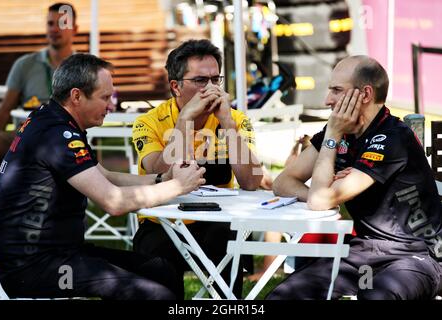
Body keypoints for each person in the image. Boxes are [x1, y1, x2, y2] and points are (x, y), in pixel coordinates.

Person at [0, 53, 207, 300]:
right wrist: (177, 186)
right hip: (34, 269)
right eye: (105, 97)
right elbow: (113, 202)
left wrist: (163, 178)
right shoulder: (57, 134)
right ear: (76, 96)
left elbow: (104, 176)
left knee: (161, 270)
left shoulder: (54, 118)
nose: (111, 105)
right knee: (156, 296)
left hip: (57, 255)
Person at [268, 55, 442, 300]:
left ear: (365, 94)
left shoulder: (391, 138)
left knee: (375, 295)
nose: (327, 100)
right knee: (286, 295)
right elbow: (283, 182)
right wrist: (327, 192)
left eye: (337, 90)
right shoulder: (341, 133)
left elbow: (319, 200)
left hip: (415, 256)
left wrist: (325, 191)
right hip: (365, 252)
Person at [131, 39, 263, 298]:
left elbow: (251, 181)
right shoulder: (147, 122)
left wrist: (226, 121)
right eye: (201, 81)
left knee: (229, 241)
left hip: (218, 220)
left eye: (216, 79)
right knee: (156, 262)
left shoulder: (236, 120)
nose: (212, 88)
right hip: (164, 222)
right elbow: (157, 170)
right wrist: (185, 119)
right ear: (175, 86)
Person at [0, 2, 77, 132]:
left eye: (62, 23)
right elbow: (4, 113)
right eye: (50, 24)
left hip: (70, 138)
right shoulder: (24, 65)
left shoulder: (86, 68)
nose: (54, 29)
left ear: (75, 29)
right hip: (26, 137)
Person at [248, 135, 311, 282]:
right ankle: (266, 269)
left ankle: (266, 271)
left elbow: (287, 171)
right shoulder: (305, 170)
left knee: (274, 227)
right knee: (274, 221)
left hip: (307, 220)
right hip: (300, 215)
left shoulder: (305, 172)